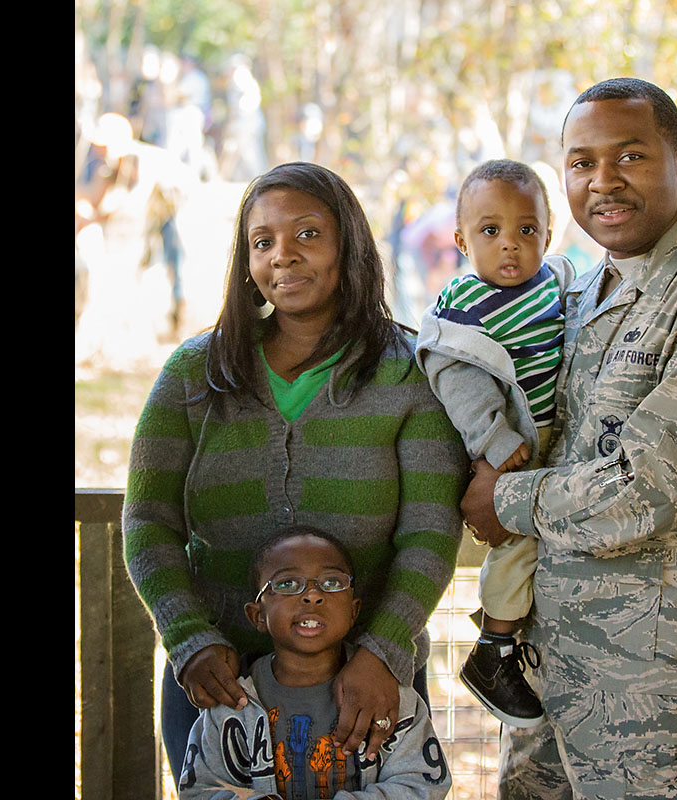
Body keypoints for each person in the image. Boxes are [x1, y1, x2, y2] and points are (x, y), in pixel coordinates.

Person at [460, 78, 677, 799]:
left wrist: (506, 498)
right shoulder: (575, 294)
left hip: (653, 698)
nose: (602, 182)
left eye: (630, 156)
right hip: (548, 675)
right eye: (581, 163)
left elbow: (651, 489)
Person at [122, 162, 467, 778]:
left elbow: (430, 531)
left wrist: (383, 653)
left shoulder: (407, 372)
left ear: (348, 246)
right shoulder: (190, 374)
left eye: (307, 234)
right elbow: (148, 521)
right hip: (219, 686)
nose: (283, 256)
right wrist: (190, 639)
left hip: (364, 686)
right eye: (263, 242)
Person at [414, 159, 576, 729]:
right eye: (490, 231)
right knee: (520, 542)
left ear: (548, 235)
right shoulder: (463, 304)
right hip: (511, 445)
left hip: (552, 438)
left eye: (526, 230)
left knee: (541, 544)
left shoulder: (554, 283)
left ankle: (503, 614)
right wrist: (492, 438)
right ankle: (494, 651)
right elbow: (455, 377)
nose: (510, 246)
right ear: (460, 239)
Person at [178, 526, 451, 799]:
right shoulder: (232, 705)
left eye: (332, 583)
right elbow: (200, 790)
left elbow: (421, 786)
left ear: (354, 610)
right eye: (287, 584)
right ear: (257, 616)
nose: (312, 595)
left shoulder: (388, 697)